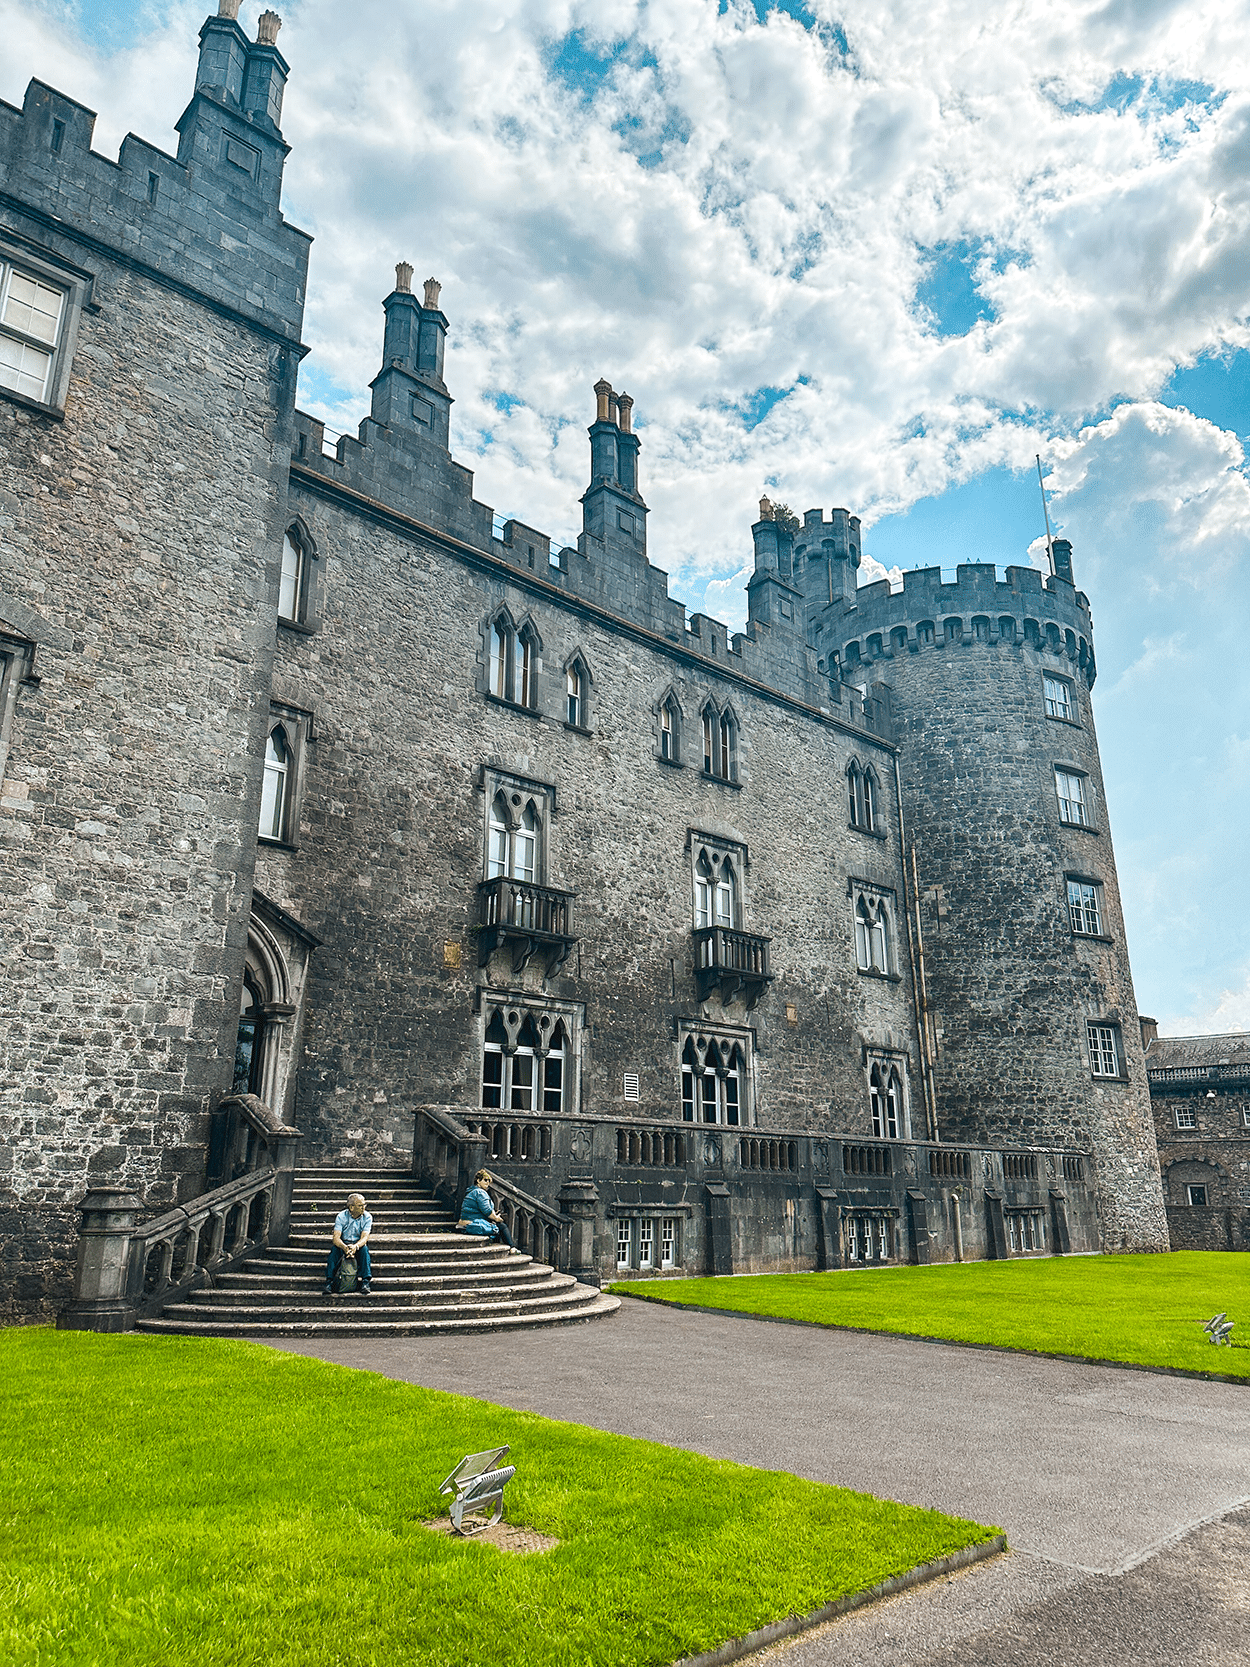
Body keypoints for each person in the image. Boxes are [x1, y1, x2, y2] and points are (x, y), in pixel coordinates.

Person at [457, 1170, 520, 1253]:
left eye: (489, 1181)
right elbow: (487, 1211)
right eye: (485, 1180)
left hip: (464, 1225)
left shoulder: (471, 1191)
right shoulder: (480, 1192)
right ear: (478, 1181)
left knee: (495, 1225)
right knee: (502, 1226)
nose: (487, 1183)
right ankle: (512, 1247)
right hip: (472, 1224)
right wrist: (497, 1218)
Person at [323, 1192, 373, 1295]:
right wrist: (345, 1247)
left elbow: (365, 1237)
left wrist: (355, 1246)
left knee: (364, 1250)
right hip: (343, 1243)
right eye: (360, 1205)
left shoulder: (367, 1217)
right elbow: (336, 1238)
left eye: (364, 1204)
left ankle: (365, 1282)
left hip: (358, 1244)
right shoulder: (341, 1216)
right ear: (351, 1207)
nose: (363, 1207)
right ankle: (329, 1282)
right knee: (334, 1250)